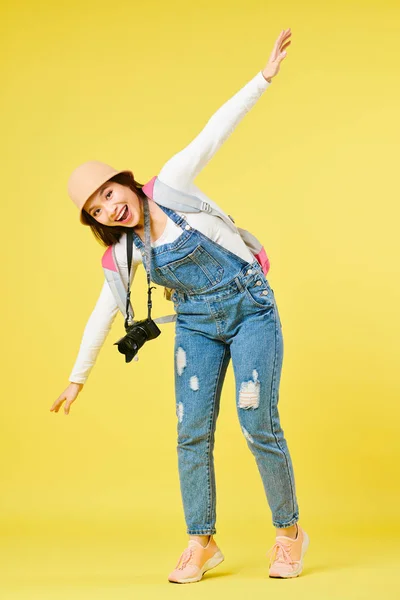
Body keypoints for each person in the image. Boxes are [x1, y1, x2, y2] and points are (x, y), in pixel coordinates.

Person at [50, 28, 310, 582]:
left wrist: (261, 79)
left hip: (249, 311)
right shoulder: (125, 253)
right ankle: (201, 541)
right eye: (96, 209)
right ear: (96, 221)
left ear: (126, 184)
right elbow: (103, 312)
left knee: (256, 423)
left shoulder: (171, 185)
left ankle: (288, 534)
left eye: (110, 193)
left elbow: (214, 132)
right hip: (195, 327)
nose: (109, 207)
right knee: (191, 430)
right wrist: (77, 378)